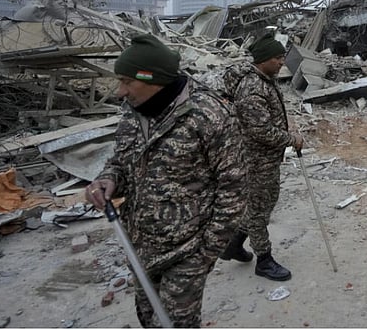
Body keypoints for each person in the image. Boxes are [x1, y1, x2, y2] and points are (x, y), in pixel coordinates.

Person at [86, 34, 246, 328]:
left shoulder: (209, 115)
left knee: (175, 324)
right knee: (148, 318)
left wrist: (205, 253)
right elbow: (122, 160)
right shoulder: (134, 111)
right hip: (140, 247)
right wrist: (108, 179)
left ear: (153, 79)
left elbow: (234, 191)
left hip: (187, 252)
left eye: (127, 82)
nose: (120, 92)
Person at [219, 32, 304, 282]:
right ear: (263, 59)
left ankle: (234, 244)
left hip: (265, 159)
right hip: (256, 161)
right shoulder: (253, 88)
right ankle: (264, 260)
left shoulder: (265, 80)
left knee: (262, 205)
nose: (281, 62)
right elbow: (260, 130)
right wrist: (292, 139)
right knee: (259, 210)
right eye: (277, 58)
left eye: (282, 57)